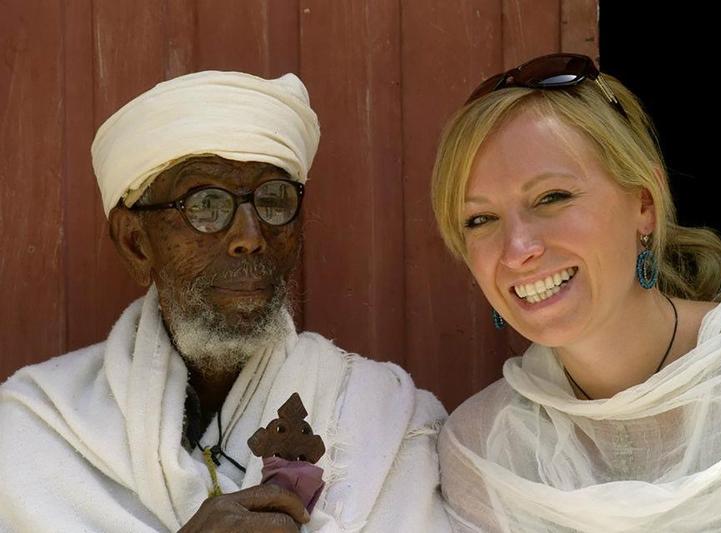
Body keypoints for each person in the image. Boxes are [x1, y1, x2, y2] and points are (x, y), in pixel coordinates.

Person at [0, 71, 450, 532]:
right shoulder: (35, 435)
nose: (249, 238)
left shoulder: (385, 421)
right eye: (205, 204)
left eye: (273, 199)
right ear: (136, 243)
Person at [430, 53, 721, 531]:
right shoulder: (485, 450)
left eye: (552, 197)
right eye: (480, 220)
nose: (517, 250)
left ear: (644, 204)